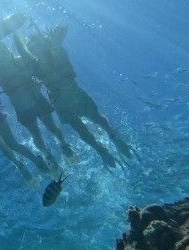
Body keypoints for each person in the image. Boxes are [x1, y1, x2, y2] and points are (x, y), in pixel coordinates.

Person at [18, 25, 132, 166]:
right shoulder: (34, 66)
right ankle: (100, 150)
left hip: (75, 94)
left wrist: (52, 38)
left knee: (97, 118)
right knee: (81, 131)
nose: (36, 48)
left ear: (44, 43)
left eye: (38, 44)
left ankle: (114, 137)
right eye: (32, 47)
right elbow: (23, 62)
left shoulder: (56, 50)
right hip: (60, 103)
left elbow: (63, 27)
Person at [0, 42, 75, 165]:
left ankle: (64, 145)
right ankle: (48, 155)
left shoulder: (20, 60)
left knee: (52, 127)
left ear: (8, 51)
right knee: (36, 135)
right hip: (22, 108)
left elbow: (34, 67)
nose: (1, 56)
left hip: (37, 100)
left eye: (3, 52)